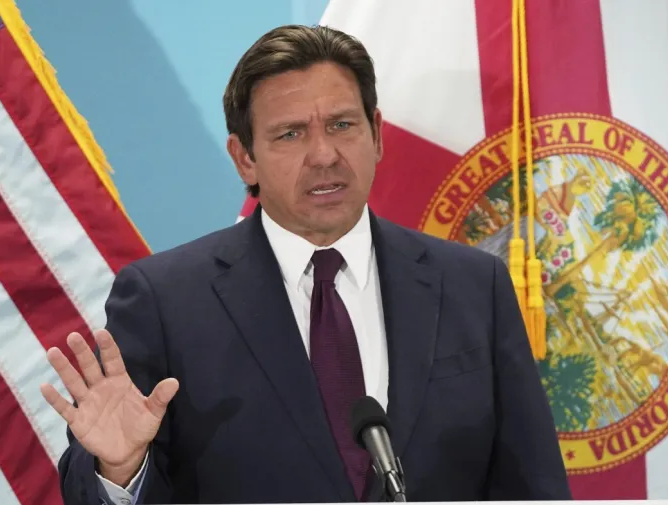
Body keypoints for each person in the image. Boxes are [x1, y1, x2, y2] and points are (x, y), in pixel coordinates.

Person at [40, 24, 572, 504]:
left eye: (342, 124)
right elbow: (87, 490)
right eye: (290, 133)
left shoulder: (474, 285)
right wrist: (122, 469)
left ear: (376, 134)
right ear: (244, 158)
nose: (324, 154)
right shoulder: (165, 301)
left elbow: (534, 486)